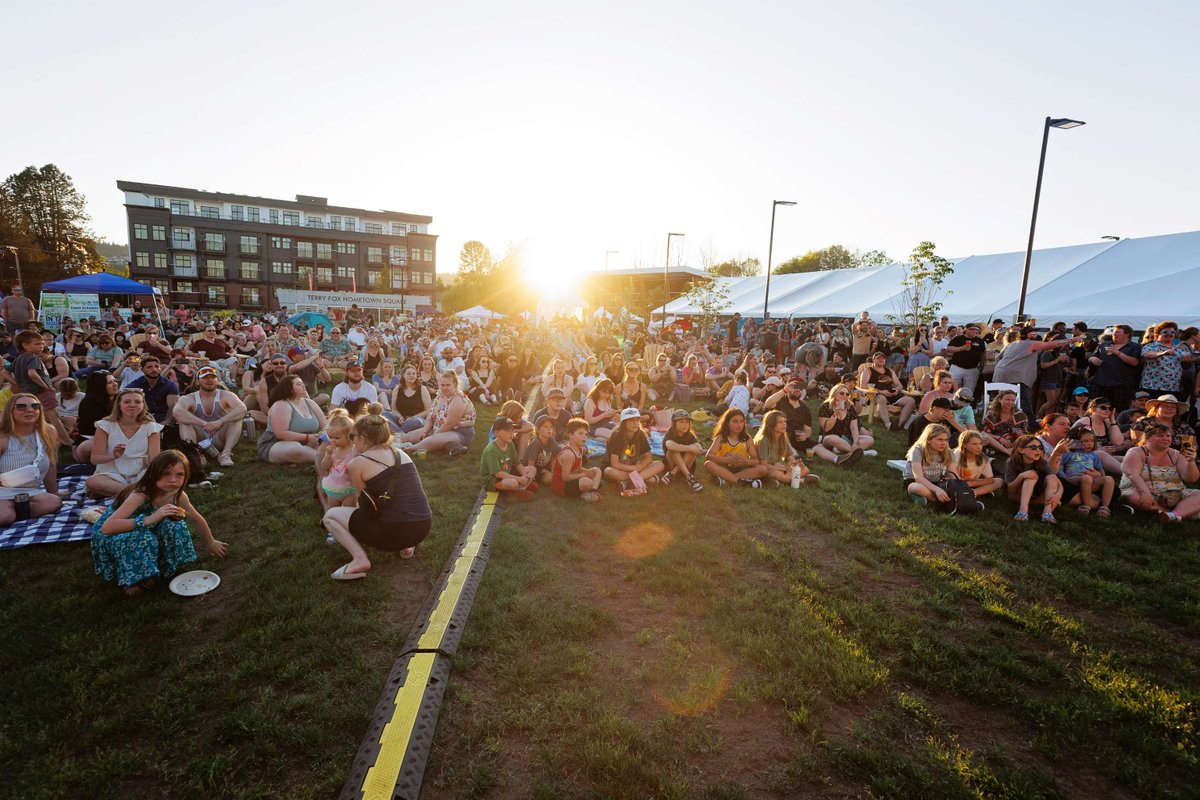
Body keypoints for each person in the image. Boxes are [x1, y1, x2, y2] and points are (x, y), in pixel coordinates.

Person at [91, 450, 227, 597]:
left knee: (175, 524)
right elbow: (107, 528)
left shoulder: (177, 495)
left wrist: (210, 542)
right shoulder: (141, 494)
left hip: (147, 527)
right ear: (153, 474)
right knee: (142, 538)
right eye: (166, 474)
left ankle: (162, 565)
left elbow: (195, 518)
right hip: (118, 533)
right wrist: (149, 519)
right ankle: (132, 579)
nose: (173, 480)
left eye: (179, 474)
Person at [323, 406, 433, 578]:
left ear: (364, 439)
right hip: (423, 526)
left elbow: (364, 504)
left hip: (393, 533)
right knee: (399, 501)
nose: (352, 440)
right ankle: (407, 547)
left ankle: (359, 560)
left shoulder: (357, 463)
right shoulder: (400, 454)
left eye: (353, 436)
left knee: (330, 516)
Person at [87, 388, 163, 498]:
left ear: (143, 405)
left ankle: (118, 492)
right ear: (119, 405)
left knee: (159, 480)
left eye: (137, 402)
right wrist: (114, 455)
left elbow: (154, 460)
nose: (133, 405)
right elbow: (95, 459)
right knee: (92, 482)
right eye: (127, 402)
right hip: (112, 473)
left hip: (141, 473)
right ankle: (139, 494)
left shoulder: (150, 427)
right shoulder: (105, 425)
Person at [1119, 421, 1200, 523]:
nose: (1166, 438)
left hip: (1175, 494)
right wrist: (1145, 493)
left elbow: (1191, 479)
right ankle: (1179, 512)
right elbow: (1133, 475)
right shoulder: (1136, 452)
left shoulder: (1176, 454)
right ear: (1148, 438)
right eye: (1160, 436)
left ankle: (1171, 514)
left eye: (1168, 435)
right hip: (1143, 491)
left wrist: (1191, 462)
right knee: (1132, 496)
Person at [0, 393, 62, 525]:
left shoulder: (49, 432)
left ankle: (15, 512)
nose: (29, 410)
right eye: (21, 407)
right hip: (2, 490)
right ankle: (11, 512)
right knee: (4, 516)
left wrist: (54, 491)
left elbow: (50, 464)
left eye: (35, 406)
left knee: (53, 502)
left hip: (30, 491)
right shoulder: (3, 438)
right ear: (10, 411)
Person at [993, 327, 1082, 414]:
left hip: (1000, 375)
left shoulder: (1012, 344)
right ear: (1025, 335)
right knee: (1024, 401)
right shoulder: (1030, 344)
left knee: (1003, 400)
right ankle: (1031, 424)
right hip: (1015, 377)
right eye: (1032, 333)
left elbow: (998, 357)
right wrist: (1073, 340)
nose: (1035, 334)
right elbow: (1053, 344)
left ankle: (995, 417)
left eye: (1035, 333)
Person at [172, 365, 247, 467]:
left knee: (236, 418)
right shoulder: (189, 398)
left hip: (221, 436)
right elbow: (177, 412)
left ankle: (225, 454)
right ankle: (196, 454)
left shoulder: (226, 395)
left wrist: (220, 421)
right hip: (200, 438)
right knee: (184, 421)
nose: (209, 380)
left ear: (217, 380)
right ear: (197, 381)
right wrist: (203, 423)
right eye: (205, 378)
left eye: (212, 377)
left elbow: (242, 409)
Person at [401, 371, 476, 456]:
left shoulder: (458, 399)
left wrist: (432, 435)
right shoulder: (440, 396)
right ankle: (396, 443)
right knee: (410, 435)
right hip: (439, 427)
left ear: (455, 384)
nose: (445, 388)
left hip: (460, 432)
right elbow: (430, 416)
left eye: (448, 385)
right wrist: (425, 432)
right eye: (442, 385)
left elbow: (449, 424)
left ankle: (410, 449)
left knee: (435, 439)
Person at [257, 374, 326, 464]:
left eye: (302, 383)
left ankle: (321, 456)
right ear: (289, 388)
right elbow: (281, 434)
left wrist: (322, 435)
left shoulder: (310, 403)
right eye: (298, 384)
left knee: (331, 442)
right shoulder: (281, 405)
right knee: (294, 449)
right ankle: (325, 460)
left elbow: (324, 424)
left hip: (311, 441)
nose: (303, 385)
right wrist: (308, 437)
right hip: (278, 442)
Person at [1005, 433, 1069, 523]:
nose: (1038, 450)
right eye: (1033, 447)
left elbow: (1056, 480)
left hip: (1036, 496)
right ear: (1021, 450)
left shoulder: (1042, 462)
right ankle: (1023, 511)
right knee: (1031, 477)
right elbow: (1011, 489)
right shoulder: (1012, 462)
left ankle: (1047, 513)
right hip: (1017, 495)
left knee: (1051, 477)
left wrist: (1058, 494)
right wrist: (1022, 476)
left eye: (1040, 448)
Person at [604, 408, 665, 494]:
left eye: (637, 420)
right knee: (609, 472)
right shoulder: (617, 436)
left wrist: (640, 466)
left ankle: (628, 482)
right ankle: (645, 478)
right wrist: (635, 468)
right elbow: (615, 464)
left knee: (660, 464)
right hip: (617, 468)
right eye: (631, 420)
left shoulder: (640, 434)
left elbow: (649, 458)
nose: (635, 423)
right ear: (624, 423)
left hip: (634, 467)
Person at [703, 407, 767, 488]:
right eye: (735, 421)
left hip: (741, 468)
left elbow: (756, 460)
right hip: (723, 467)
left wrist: (745, 461)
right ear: (727, 423)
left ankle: (727, 479)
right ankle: (741, 482)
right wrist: (725, 460)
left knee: (763, 469)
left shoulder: (747, 438)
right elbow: (708, 457)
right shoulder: (721, 438)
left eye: (741, 421)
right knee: (708, 464)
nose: (739, 424)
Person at [1059, 427, 1115, 517]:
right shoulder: (1069, 453)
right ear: (1075, 441)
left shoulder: (1093, 455)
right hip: (1073, 480)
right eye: (1085, 441)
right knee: (1086, 478)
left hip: (1089, 482)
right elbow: (1058, 466)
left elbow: (1100, 469)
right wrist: (1064, 477)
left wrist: (1101, 476)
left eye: (1092, 441)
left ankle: (1104, 507)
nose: (1089, 444)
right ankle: (1085, 505)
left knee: (1109, 479)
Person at [754, 408, 817, 487]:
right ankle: (800, 481)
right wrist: (783, 469)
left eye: (784, 421)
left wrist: (797, 464)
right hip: (762, 469)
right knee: (775, 473)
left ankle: (783, 480)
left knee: (805, 469)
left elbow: (791, 459)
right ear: (771, 424)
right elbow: (763, 464)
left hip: (776, 468)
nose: (784, 424)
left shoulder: (783, 439)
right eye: (780, 422)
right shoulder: (764, 440)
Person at [480, 416, 537, 501]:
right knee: (512, 483)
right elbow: (498, 474)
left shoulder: (510, 444)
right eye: (507, 431)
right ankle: (515, 492)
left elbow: (516, 463)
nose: (511, 433)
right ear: (496, 433)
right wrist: (519, 479)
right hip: (493, 480)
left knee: (532, 469)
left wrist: (524, 474)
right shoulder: (491, 450)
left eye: (512, 430)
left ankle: (521, 489)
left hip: (507, 471)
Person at [1087, 324, 1142, 411]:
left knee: (1117, 411)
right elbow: (1092, 356)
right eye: (1113, 332)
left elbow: (1134, 362)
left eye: (1117, 332)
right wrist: (1092, 358)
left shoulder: (1134, 347)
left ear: (1127, 334)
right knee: (1095, 410)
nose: (1114, 334)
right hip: (1100, 383)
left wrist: (1117, 353)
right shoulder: (1103, 344)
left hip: (1121, 385)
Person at [858, 351, 915, 432]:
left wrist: (897, 390)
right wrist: (880, 391)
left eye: (883, 358)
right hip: (875, 395)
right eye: (878, 358)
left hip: (892, 395)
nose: (881, 359)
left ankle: (898, 425)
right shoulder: (868, 370)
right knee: (882, 399)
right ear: (873, 360)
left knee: (911, 401)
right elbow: (863, 385)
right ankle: (888, 424)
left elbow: (899, 385)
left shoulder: (890, 371)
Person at [818, 384, 876, 459]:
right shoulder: (825, 406)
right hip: (829, 437)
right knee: (834, 438)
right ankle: (860, 453)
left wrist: (855, 442)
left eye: (847, 394)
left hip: (846, 437)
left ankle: (841, 449)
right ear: (834, 393)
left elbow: (854, 427)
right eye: (842, 393)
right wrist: (835, 414)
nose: (845, 395)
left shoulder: (850, 407)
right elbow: (826, 428)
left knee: (869, 439)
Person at [904, 423, 955, 508]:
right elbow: (918, 477)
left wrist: (960, 488)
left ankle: (930, 499)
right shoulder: (917, 450)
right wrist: (937, 490)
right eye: (940, 439)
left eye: (946, 440)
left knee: (951, 488)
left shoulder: (948, 452)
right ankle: (944, 503)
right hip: (916, 482)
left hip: (936, 482)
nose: (944, 443)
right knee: (918, 488)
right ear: (928, 439)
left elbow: (952, 473)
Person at [552, 418, 602, 502]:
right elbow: (565, 477)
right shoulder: (568, 454)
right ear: (570, 435)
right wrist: (584, 474)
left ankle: (592, 491)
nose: (584, 437)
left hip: (574, 478)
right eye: (580, 433)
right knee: (587, 482)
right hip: (562, 486)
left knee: (597, 470)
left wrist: (588, 473)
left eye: (585, 434)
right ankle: (588, 491)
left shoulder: (580, 449)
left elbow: (578, 468)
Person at [319, 409, 360, 511]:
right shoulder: (332, 451)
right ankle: (331, 520)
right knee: (333, 510)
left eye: (336, 438)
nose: (332, 440)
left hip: (349, 489)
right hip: (333, 487)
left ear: (349, 436)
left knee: (349, 511)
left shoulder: (355, 451)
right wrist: (327, 455)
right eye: (330, 437)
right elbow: (324, 467)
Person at [661, 408, 705, 492]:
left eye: (687, 422)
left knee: (693, 449)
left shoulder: (690, 435)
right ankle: (689, 477)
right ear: (674, 423)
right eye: (681, 422)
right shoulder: (669, 434)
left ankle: (673, 474)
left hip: (687, 466)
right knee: (673, 450)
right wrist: (689, 448)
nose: (684, 425)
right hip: (672, 463)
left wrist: (694, 447)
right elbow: (669, 445)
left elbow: (699, 447)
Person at [127, 355, 180, 425]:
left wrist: (164, 424)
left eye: (157, 366)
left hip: (164, 420)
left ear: (160, 368)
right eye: (149, 367)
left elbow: (173, 408)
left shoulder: (170, 385)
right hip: (142, 420)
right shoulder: (135, 385)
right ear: (142, 370)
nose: (154, 369)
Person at [951, 430, 1003, 501]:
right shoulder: (956, 455)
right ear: (964, 445)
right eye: (974, 444)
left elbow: (989, 480)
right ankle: (980, 492)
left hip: (971, 483)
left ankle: (973, 492)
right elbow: (952, 477)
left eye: (980, 443)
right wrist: (966, 484)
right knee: (953, 485)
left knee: (999, 481)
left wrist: (969, 484)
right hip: (956, 483)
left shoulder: (983, 458)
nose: (978, 447)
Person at [1139, 321, 1185, 396]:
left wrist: (1191, 360)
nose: (1169, 336)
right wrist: (1163, 353)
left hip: (1173, 387)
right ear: (1158, 334)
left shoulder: (1178, 348)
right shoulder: (1150, 346)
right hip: (1152, 387)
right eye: (1165, 334)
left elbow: (1185, 364)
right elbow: (1147, 354)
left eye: (1171, 334)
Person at [979, 388, 1028, 456]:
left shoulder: (1020, 415)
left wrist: (1018, 432)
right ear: (999, 400)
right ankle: (1008, 452)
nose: (1010, 402)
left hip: (1013, 441)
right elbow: (984, 432)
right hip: (995, 441)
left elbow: (1025, 433)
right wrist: (999, 438)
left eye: (1012, 400)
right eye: (1007, 399)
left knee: (1026, 442)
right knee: (984, 438)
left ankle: (999, 451)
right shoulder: (992, 414)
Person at [945, 323, 986, 395]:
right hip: (957, 367)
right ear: (965, 329)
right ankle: (951, 403)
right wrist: (961, 348)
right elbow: (948, 349)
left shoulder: (980, 341)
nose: (973, 331)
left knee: (969, 390)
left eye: (975, 330)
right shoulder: (958, 338)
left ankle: (967, 405)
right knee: (951, 387)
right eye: (971, 329)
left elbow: (982, 354)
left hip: (972, 369)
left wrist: (981, 365)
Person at [523, 415, 560, 485]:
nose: (549, 429)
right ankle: (530, 482)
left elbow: (555, 456)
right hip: (534, 470)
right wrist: (545, 472)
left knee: (559, 474)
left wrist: (553, 470)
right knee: (551, 478)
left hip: (544, 468)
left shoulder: (551, 440)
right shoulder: (536, 443)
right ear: (538, 429)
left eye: (551, 427)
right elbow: (530, 465)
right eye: (546, 427)